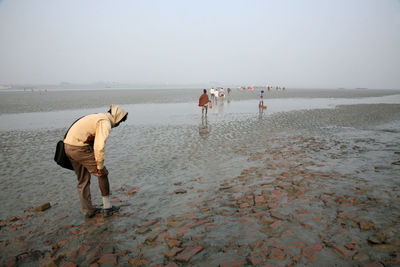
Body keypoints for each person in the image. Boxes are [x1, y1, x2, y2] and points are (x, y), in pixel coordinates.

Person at [64, 104, 128, 218]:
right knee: (103, 174)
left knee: (83, 180)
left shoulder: (99, 116)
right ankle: (107, 207)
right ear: (117, 118)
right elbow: (99, 146)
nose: (119, 124)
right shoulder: (105, 123)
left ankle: (88, 211)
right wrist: (100, 166)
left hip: (68, 146)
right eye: (120, 121)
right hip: (79, 148)